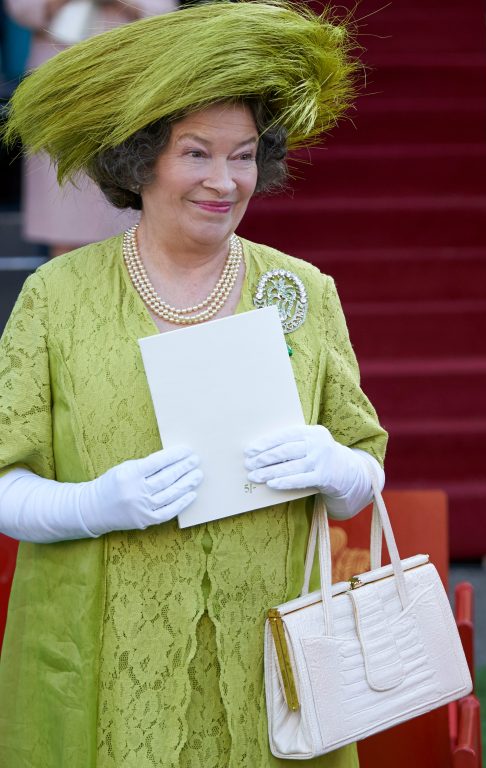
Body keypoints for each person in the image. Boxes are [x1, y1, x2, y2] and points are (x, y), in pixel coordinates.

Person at [0, 3, 386, 767]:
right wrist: (91, 504)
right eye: (197, 153)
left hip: (268, 662)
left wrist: (334, 466)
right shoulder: (57, 296)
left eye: (242, 155)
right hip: (103, 657)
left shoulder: (302, 289)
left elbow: (362, 476)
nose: (224, 181)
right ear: (142, 160)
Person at [4, 0, 176, 257]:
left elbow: (163, 9)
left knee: (123, 185)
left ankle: (126, 281)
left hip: (123, 72)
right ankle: (62, 286)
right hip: (59, 72)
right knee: (60, 189)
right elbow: (22, 8)